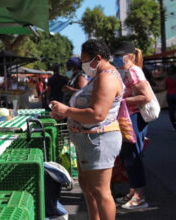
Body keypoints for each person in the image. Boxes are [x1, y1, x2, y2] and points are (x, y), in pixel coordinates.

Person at [50, 39, 124, 220]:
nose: (83, 65)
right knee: (89, 188)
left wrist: (67, 110)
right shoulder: (98, 77)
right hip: (88, 141)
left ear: (97, 58)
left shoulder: (107, 77)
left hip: (99, 141)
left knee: (101, 191)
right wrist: (69, 114)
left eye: (84, 60)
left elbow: (97, 114)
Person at [113, 41, 153, 209]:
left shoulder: (133, 71)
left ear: (129, 57)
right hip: (130, 118)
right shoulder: (126, 71)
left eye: (118, 56)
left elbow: (146, 96)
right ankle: (133, 192)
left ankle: (139, 197)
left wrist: (120, 100)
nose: (115, 59)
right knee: (128, 157)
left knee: (133, 157)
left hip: (135, 118)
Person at [165, 65, 176, 130]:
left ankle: (174, 125)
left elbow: (165, 87)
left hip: (169, 95)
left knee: (171, 111)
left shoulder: (167, 78)